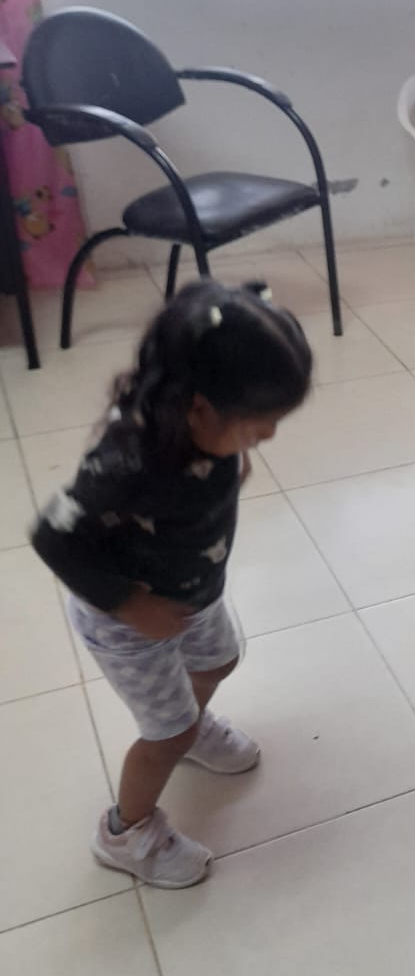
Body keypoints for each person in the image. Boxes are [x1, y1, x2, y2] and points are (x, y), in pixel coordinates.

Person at [30, 280, 312, 889]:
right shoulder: (127, 461)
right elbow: (52, 536)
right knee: (166, 731)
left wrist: (230, 457)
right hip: (126, 620)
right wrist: (130, 605)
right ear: (199, 407)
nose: (268, 436)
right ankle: (125, 832)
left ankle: (188, 729)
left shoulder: (199, 423)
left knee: (220, 660)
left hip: (191, 591)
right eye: (259, 424)